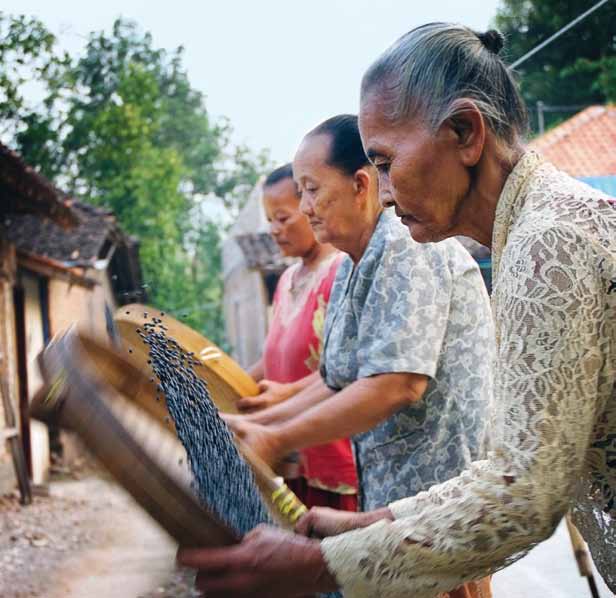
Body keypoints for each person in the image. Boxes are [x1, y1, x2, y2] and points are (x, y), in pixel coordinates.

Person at [179, 23, 616, 598]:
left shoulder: (546, 242)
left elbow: (525, 494)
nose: (383, 193)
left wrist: (323, 563)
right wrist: (373, 524)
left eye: (385, 163)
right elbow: (510, 467)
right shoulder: (529, 231)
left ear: (465, 133)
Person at [185, 113, 495, 597]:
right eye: (301, 193)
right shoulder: (354, 264)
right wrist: (259, 426)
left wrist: (272, 437)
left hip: (442, 504)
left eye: (311, 189)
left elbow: (397, 384)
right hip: (393, 503)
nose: (306, 207)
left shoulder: (406, 246)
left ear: (360, 184)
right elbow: (334, 378)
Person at [244, 163, 358, 511]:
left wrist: (288, 395)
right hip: (290, 455)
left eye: (283, 218)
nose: (275, 231)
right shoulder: (287, 279)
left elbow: (349, 367)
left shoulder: (341, 272)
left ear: (311, 206)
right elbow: (275, 356)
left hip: (332, 452)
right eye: (269, 221)